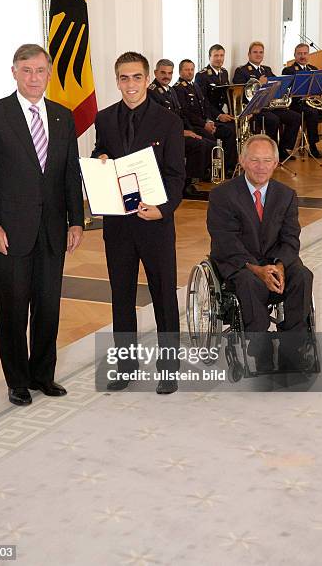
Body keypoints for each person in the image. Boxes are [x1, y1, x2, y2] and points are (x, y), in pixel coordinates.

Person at [0, 44, 84, 406]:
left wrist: (75, 221)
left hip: (53, 230)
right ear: (14, 72)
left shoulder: (62, 117)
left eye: (40, 71)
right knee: (13, 307)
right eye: (27, 70)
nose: (34, 78)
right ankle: (17, 379)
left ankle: (42, 375)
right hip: (11, 231)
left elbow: (69, 174)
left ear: (49, 74)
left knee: (48, 306)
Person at [92, 52, 185, 394]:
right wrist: (99, 158)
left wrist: (164, 209)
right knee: (121, 296)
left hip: (156, 223)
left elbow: (177, 175)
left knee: (163, 295)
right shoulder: (104, 118)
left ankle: (169, 368)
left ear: (147, 79)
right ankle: (126, 365)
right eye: (123, 78)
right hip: (118, 224)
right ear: (116, 81)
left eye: (136, 77)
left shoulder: (168, 121)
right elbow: (100, 152)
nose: (130, 85)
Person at [207, 134, 313, 369]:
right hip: (240, 262)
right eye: (255, 160)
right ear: (243, 161)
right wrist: (256, 268)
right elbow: (225, 240)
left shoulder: (286, 195)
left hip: (277, 259)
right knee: (249, 283)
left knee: (303, 276)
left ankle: (292, 347)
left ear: (276, 163)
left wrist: (280, 265)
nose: (261, 167)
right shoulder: (222, 195)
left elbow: (290, 237)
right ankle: (260, 348)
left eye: (267, 161)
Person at [149, 58, 213, 199]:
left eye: (169, 73)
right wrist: (183, 132)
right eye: (163, 73)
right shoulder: (152, 92)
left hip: (176, 133)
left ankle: (192, 181)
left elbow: (180, 116)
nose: (167, 76)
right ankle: (184, 186)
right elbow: (157, 121)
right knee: (199, 145)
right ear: (155, 73)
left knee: (206, 142)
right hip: (163, 138)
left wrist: (192, 131)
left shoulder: (170, 91)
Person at [233, 41, 301, 162]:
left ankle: (282, 149)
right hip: (255, 109)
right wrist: (259, 84)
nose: (258, 55)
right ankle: (269, 152)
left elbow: (277, 85)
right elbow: (241, 93)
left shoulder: (267, 69)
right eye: (255, 52)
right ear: (249, 54)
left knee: (295, 117)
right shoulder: (241, 71)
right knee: (273, 120)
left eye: (261, 52)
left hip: (270, 107)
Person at [173, 59, 238, 176]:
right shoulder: (178, 88)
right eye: (187, 70)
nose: (190, 72)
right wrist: (204, 125)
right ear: (180, 72)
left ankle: (227, 167)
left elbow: (205, 106)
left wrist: (210, 121)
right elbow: (186, 113)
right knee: (210, 140)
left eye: (192, 69)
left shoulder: (195, 86)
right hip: (194, 126)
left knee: (230, 131)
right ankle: (205, 172)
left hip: (205, 122)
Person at [282, 43, 322, 157]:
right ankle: (312, 146)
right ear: (295, 55)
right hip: (298, 105)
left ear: (309, 55)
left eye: (305, 53)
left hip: (314, 103)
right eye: (299, 54)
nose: (302, 56)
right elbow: (287, 91)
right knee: (312, 113)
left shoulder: (314, 69)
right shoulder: (288, 70)